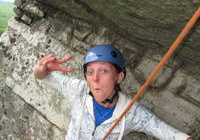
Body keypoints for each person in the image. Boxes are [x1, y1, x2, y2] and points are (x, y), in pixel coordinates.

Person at [33, 44, 194, 140]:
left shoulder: (130, 113)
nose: (95, 79)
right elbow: (43, 77)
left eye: (103, 71)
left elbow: (165, 131)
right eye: (90, 72)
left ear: (119, 77)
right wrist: (41, 68)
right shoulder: (78, 90)